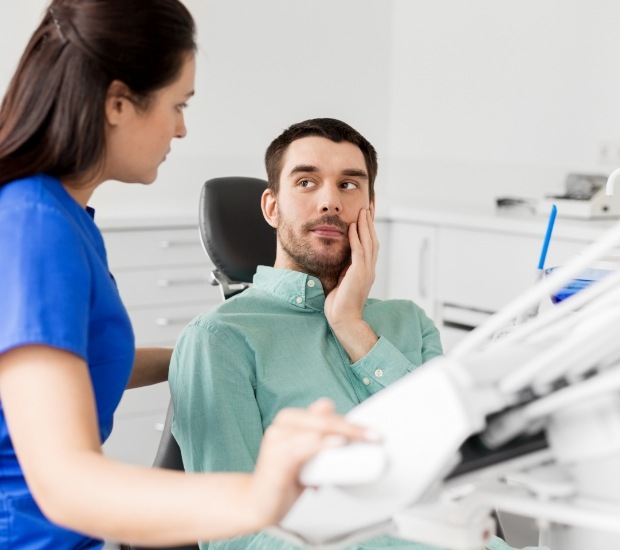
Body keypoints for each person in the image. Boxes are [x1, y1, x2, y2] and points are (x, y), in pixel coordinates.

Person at [0, 5, 372, 549]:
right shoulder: (36, 227)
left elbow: (67, 369)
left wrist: (219, 350)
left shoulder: (64, 218)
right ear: (118, 104)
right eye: (178, 104)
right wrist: (258, 496)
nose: (182, 126)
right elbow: (64, 485)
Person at [169, 118, 446, 550]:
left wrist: (352, 328)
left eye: (349, 185)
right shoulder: (219, 340)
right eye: (306, 182)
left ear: (370, 208)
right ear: (271, 206)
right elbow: (234, 539)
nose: (330, 202)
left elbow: (454, 460)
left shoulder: (411, 322)